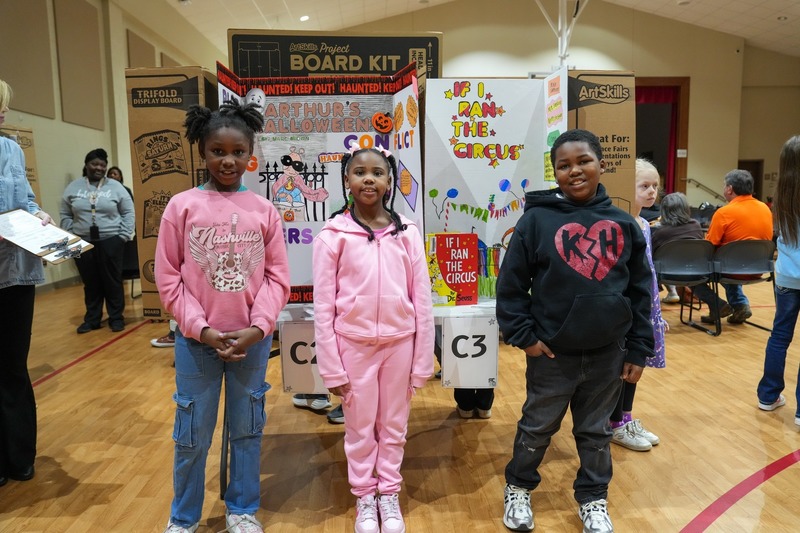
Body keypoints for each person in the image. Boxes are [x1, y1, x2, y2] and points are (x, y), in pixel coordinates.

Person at [496, 129, 654, 533]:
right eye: (563, 165)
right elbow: (511, 286)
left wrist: (638, 350)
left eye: (583, 161)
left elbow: (640, 292)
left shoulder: (624, 224)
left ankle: (593, 499)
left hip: (608, 355)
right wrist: (525, 337)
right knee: (537, 427)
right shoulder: (535, 221)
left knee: (596, 432)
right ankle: (518, 487)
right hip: (552, 355)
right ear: (555, 172)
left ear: (601, 164)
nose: (574, 171)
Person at [155, 100, 290, 533]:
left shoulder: (264, 210)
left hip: (252, 343)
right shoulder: (181, 207)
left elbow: (277, 277)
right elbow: (169, 277)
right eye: (217, 150)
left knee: (247, 430)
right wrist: (203, 329)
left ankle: (242, 509)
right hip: (198, 345)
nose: (227, 160)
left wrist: (257, 328)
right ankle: (183, 518)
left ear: (251, 153)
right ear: (202, 151)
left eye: (237, 151)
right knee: (191, 434)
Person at [313, 146, 434, 533]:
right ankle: (365, 496)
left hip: (400, 345)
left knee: (394, 426)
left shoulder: (408, 233)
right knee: (361, 427)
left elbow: (423, 301)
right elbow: (323, 308)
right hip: (354, 346)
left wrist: (421, 360)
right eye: (359, 172)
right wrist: (331, 367)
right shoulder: (333, 236)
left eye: (377, 172)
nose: (369, 179)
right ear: (346, 180)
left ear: (389, 181)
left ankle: (388, 495)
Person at [0, 78, 52, 487]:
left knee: (14, 365)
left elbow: (27, 200)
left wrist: (40, 216)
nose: (4, 112)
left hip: (15, 273)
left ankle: (19, 455)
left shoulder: (12, 149)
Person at [609, 159, 666, 452]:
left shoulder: (645, 223)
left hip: (646, 303)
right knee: (622, 364)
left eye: (655, 186)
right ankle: (615, 421)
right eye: (644, 185)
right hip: (627, 305)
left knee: (636, 362)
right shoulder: (620, 223)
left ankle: (626, 416)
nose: (651, 191)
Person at [59, 148, 135, 333]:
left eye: (102, 165)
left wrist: (122, 236)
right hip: (81, 242)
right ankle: (92, 319)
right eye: (95, 164)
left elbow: (128, 212)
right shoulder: (73, 187)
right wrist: (71, 235)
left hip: (111, 241)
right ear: (86, 165)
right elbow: (65, 213)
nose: (99, 168)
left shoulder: (116, 187)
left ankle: (116, 318)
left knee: (112, 281)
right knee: (90, 282)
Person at [757, 135, 800, 425]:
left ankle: (768, 395)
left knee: (780, 336)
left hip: (786, 277)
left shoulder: (781, 197)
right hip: (787, 277)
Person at [703, 169, 773, 324]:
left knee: (693, 271)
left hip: (731, 269)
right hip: (758, 267)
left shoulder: (724, 212)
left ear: (729, 189)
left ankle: (717, 306)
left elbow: (710, 245)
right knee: (733, 261)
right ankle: (740, 305)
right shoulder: (765, 209)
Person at [651, 192, 730, 316]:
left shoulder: (660, 232)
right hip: (695, 271)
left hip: (668, 275)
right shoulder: (696, 226)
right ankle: (716, 304)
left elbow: (652, 255)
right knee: (693, 279)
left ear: (664, 210)